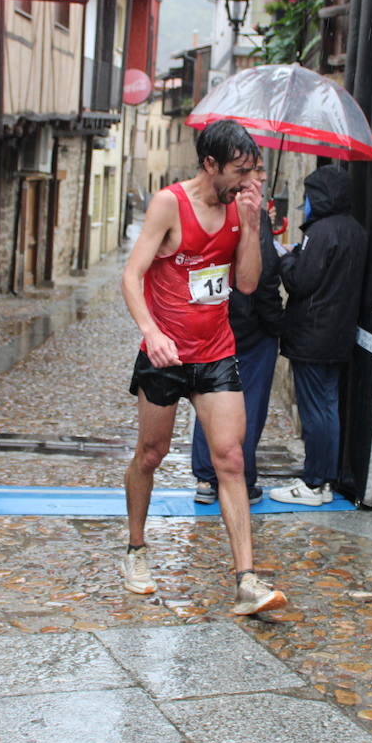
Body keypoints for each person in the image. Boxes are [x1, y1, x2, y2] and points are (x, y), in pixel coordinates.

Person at [120, 119, 287, 616]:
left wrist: (254, 227)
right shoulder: (170, 204)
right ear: (210, 164)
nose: (248, 182)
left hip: (216, 350)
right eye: (240, 171)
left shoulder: (241, 210)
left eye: (254, 171)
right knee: (150, 455)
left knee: (231, 459)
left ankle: (247, 582)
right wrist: (151, 331)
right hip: (166, 355)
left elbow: (249, 285)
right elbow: (132, 275)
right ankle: (135, 550)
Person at [268, 164, 367, 507]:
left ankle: (313, 482)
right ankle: (325, 479)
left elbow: (301, 282)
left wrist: (286, 259)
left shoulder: (320, 231)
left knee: (315, 412)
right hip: (338, 335)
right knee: (328, 407)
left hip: (312, 335)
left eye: (308, 198)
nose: (305, 205)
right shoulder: (355, 230)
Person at [191, 161, 283, 508]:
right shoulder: (251, 218)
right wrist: (277, 325)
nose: (260, 175)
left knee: (209, 399)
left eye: (262, 168)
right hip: (250, 330)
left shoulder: (211, 215)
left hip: (213, 323)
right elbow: (266, 278)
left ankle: (205, 477)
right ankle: (239, 477)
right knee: (248, 406)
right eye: (255, 169)